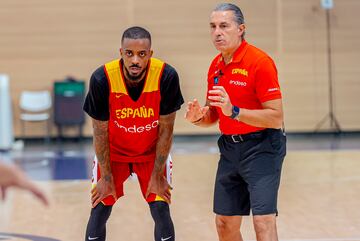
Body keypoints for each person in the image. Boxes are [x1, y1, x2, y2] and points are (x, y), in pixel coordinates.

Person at [185, 3, 286, 241]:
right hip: (230, 149)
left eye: (224, 26)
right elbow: (216, 115)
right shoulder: (215, 66)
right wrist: (199, 118)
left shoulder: (260, 62)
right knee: (224, 223)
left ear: (240, 29)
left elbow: (276, 116)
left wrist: (235, 111)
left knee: (263, 221)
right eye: (212, 27)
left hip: (262, 147)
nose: (217, 32)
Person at [83, 26, 184, 241]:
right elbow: (99, 132)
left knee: (160, 209)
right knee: (100, 207)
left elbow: (167, 129)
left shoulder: (166, 76)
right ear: (121, 53)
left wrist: (157, 175)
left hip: (150, 153)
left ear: (150, 54)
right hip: (114, 153)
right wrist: (106, 178)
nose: (135, 60)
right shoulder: (102, 79)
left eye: (142, 54)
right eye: (129, 53)